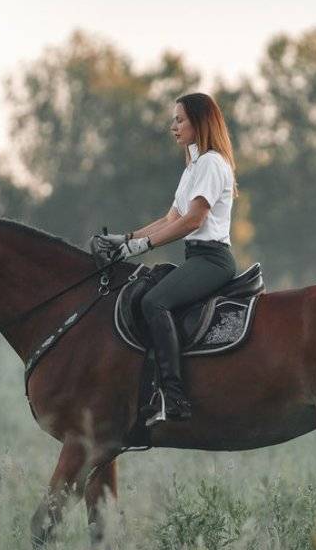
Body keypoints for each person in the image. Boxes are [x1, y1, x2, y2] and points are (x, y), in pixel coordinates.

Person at [89, 92, 239, 425]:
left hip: (213, 260)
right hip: (197, 257)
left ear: (199, 122)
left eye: (179, 119)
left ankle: (172, 395)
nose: (173, 126)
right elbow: (171, 218)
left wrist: (141, 248)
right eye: (174, 119)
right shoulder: (193, 167)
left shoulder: (213, 163)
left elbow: (193, 220)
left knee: (155, 302)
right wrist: (127, 238)